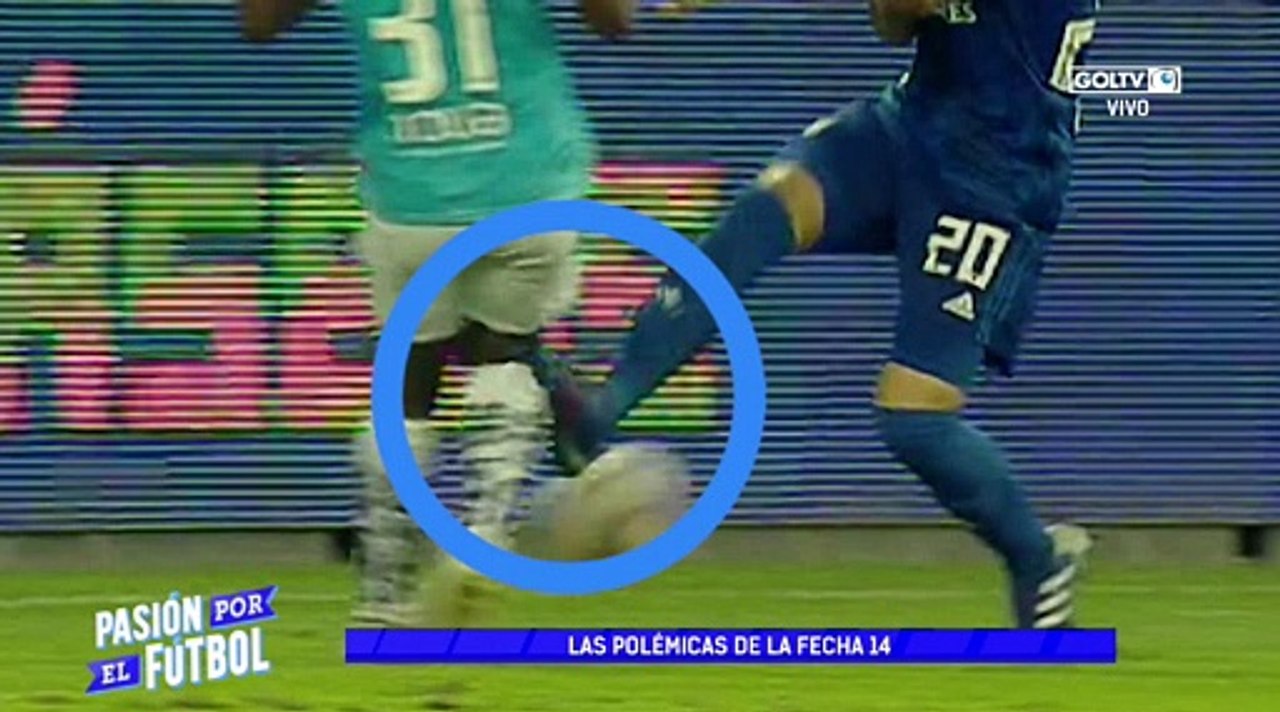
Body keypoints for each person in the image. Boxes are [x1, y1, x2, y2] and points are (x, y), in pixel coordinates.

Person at [544, 0, 1097, 629]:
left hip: (995, 175)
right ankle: (599, 411)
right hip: (913, 125)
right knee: (759, 219)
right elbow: (893, 24)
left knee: (915, 421)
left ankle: (1036, 558)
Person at [239, 0, 638, 626]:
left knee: (409, 380)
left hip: (410, 192)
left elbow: (258, 22)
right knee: (506, 354)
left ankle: (386, 578)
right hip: (527, 178)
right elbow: (613, 21)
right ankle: (487, 527)